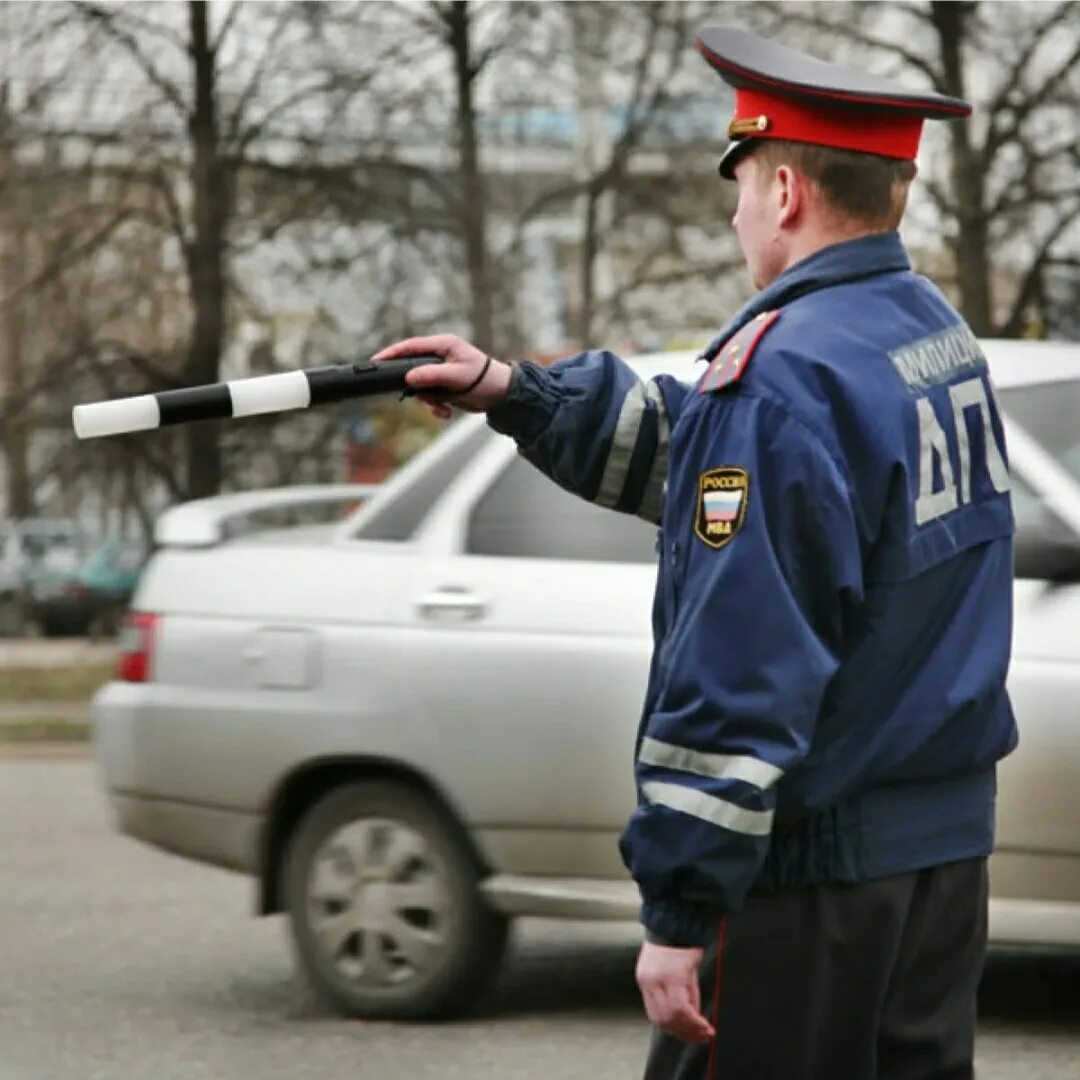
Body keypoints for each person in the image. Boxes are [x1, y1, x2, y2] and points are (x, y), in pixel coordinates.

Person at [374, 25, 1017, 1080]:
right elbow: (726, 467)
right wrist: (516, 391)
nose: (732, 213)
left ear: (785, 193)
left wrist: (681, 905)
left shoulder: (775, 381)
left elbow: (741, 665)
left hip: (808, 884)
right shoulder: (927, 337)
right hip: (938, 865)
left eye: (741, 181)